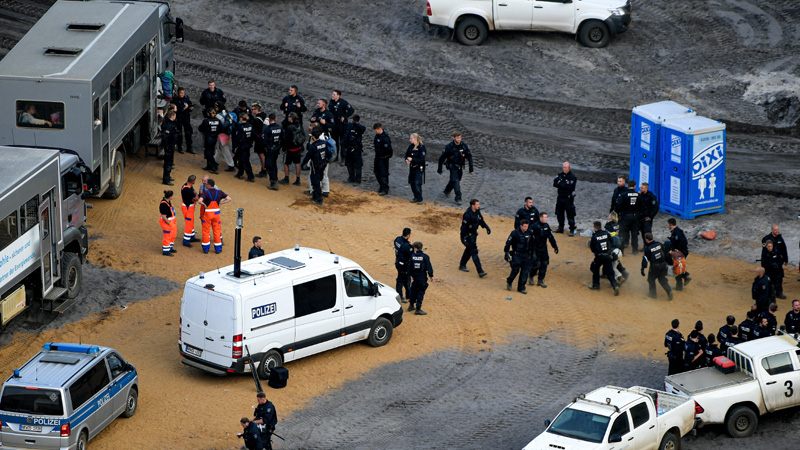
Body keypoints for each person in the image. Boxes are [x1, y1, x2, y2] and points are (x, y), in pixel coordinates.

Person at [437, 131, 474, 205]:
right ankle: (458, 198)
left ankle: (447, 191)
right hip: (452, 166)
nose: (459, 139)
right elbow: (442, 157)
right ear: (454, 138)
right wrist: (439, 167)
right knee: (455, 181)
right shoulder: (449, 147)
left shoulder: (463, 146)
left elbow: (469, 155)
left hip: (460, 166)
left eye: (460, 137)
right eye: (457, 137)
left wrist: (471, 166)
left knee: (455, 180)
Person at [459, 199, 491, 277]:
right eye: (477, 205)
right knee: (474, 252)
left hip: (474, 234)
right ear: (473, 206)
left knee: (468, 250)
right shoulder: (467, 214)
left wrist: (486, 227)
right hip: (468, 235)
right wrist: (463, 238)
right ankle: (480, 271)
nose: (478, 206)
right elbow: (463, 228)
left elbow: (480, 220)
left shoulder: (477, 211)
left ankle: (462, 265)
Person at [198, 179, 231, 254]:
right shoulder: (219, 192)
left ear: (209, 185)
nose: (205, 185)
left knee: (206, 231)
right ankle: (218, 249)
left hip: (208, 215)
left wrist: (204, 205)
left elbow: (199, 201)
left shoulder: (206, 193)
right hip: (216, 214)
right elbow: (229, 199)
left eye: (206, 184)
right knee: (216, 231)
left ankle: (206, 249)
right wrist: (221, 203)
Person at [300, 128, 331, 206]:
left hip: (316, 166)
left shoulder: (313, 146)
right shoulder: (324, 143)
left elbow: (307, 156)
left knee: (315, 182)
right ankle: (315, 196)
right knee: (318, 180)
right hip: (323, 164)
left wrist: (302, 164)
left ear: (313, 137)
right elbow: (328, 154)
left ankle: (318, 199)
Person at [588, 221, 619, 295]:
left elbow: (592, 248)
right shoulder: (606, 233)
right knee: (610, 272)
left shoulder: (594, 236)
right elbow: (611, 241)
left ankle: (596, 285)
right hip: (607, 255)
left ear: (595, 227)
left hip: (599, 256)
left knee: (594, 269)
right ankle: (615, 286)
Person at [529, 213, 558, 288]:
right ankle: (531, 275)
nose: (546, 219)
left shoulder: (546, 226)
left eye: (546, 217)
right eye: (544, 217)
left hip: (544, 248)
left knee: (544, 264)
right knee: (537, 264)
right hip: (536, 248)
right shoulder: (534, 226)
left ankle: (540, 280)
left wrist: (555, 246)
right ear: (540, 218)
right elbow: (530, 239)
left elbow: (550, 237)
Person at [504, 221, 534, 294]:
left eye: (527, 226)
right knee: (515, 270)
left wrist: (532, 255)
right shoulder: (514, 233)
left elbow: (532, 244)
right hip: (516, 254)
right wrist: (506, 253)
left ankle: (521, 287)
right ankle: (509, 281)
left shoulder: (529, 233)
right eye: (525, 226)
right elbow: (508, 243)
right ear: (521, 226)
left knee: (525, 272)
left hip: (526, 255)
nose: (526, 228)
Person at [641, 232, 673, 300]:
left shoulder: (648, 248)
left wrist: (643, 269)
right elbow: (666, 253)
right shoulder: (659, 244)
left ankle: (653, 294)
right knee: (662, 279)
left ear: (646, 239)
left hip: (655, 266)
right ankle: (669, 291)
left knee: (651, 279)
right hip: (663, 264)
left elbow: (645, 260)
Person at [408, 241, 434, 315]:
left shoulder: (412, 256)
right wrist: (431, 275)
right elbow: (429, 267)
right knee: (420, 293)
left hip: (415, 277)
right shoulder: (425, 257)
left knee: (413, 291)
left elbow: (410, 267)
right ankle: (418, 309)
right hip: (422, 277)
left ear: (415, 248)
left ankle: (411, 305)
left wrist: (411, 275)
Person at [279, 112, 304, 186]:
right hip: (298, 147)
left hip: (290, 148)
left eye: (289, 117)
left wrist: (284, 147)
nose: (288, 118)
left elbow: (286, 139)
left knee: (286, 163)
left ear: (291, 118)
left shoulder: (289, 127)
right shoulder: (299, 125)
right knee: (297, 163)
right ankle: (298, 179)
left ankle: (286, 178)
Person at [616, 179, 641, 255]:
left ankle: (622, 251)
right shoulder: (638, 195)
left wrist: (620, 213)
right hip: (635, 217)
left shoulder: (623, 195)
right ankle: (635, 250)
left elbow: (618, 206)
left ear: (628, 186)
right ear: (635, 186)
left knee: (622, 234)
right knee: (634, 234)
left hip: (625, 217)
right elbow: (642, 206)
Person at [553, 161, 577, 236]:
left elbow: (569, 186)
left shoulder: (572, 177)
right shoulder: (560, 175)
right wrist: (562, 184)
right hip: (560, 197)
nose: (564, 169)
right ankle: (560, 228)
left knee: (570, 214)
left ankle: (572, 229)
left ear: (569, 168)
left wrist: (560, 183)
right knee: (559, 213)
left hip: (568, 198)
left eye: (566, 167)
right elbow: (554, 183)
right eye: (563, 167)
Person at [329, 90, 354, 159]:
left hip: (342, 125)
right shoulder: (331, 102)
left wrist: (345, 116)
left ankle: (343, 157)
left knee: (342, 142)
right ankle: (335, 156)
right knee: (335, 141)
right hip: (334, 125)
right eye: (332, 94)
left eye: (334, 94)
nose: (332, 95)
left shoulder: (343, 102)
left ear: (338, 96)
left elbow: (351, 110)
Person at [667, 218, 692, 290]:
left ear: (670, 224)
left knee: (677, 267)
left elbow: (683, 242)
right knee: (678, 266)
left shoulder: (677, 232)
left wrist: (678, 250)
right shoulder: (676, 231)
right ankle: (685, 277)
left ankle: (680, 284)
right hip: (680, 252)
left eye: (668, 224)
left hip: (680, 253)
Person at [342, 115, 366, 184]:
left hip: (356, 149)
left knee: (358, 165)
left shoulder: (359, 128)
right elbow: (346, 134)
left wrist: (356, 124)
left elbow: (363, 128)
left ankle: (358, 180)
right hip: (349, 148)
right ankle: (351, 178)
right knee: (349, 164)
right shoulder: (349, 125)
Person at [263, 113, 284, 190]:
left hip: (270, 149)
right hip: (276, 149)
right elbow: (283, 139)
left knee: (269, 165)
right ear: (275, 119)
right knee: (274, 164)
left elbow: (264, 141)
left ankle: (273, 182)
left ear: (269, 120)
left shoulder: (268, 129)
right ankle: (275, 179)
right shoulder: (279, 128)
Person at [198, 107, 222, 174]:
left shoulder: (206, 121)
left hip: (208, 138)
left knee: (208, 153)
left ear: (208, 113)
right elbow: (221, 129)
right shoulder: (218, 121)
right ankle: (209, 166)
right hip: (214, 139)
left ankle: (214, 166)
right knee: (211, 151)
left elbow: (200, 128)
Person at [214, 103, 237, 172]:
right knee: (221, 149)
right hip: (227, 134)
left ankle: (231, 165)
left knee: (223, 149)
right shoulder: (227, 113)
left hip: (221, 134)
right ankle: (216, 161)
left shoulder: (218, 115)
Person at [233, 113, 255, 182]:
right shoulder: (250, 126)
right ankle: (240, 173)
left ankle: (250, 176)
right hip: (247, 145)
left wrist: (234, 146)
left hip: (242, 145)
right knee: (241, 159)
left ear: (241, 119)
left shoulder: (240, 127)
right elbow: (253, 135)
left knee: (245, 161)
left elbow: (237, 137)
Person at [172, 87, 195, 153]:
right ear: (178, 93)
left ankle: (189, 147)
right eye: (181, 93)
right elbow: (176, 110)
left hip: (186, 117)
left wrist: (190, 108)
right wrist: (183, 108)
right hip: (179, 118)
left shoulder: (186, 98)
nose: (182, 94)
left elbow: (189, 104)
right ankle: (180, 147)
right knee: (179, 133)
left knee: (188, 132)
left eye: (183, 93)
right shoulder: (175, 100)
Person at [405, 133, 426, 204]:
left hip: (418, 167)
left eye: (411, 138)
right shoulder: (411, 147)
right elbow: (406, 155)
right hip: (412, 167)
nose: (410, 140)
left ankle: (419, 198)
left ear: (415, 139)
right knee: (412, 182)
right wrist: (407, 160)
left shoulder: (421, 147)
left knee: (417, 183)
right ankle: (415, 197)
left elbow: (421, 159)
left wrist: (412, 160)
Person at [393, 228, 413, 303]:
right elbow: (411, 255)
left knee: (406, 279)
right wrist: (412, 246)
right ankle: (400, 296)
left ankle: (408, 294)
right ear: (408, 235)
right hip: (404, 265)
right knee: (402, 280)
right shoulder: (407, 246)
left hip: (398, 262)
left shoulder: (397, 239)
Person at [373, 123, 392, 196]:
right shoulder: (377, 136)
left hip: (383, 158)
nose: (375, 132)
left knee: (383, 173)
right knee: (377, 172)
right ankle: (381, 186)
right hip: (378, 157)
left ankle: (385, 189)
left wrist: (385, 156)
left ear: (379, 129)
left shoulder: (385, 138)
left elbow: (389, 150)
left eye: (376, 130)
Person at [180, 175, 199, 247]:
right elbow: (196, 198)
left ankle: (192, 237)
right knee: (188, 224)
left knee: (191, 222)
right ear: (193, 182)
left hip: (189, 208)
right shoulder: (188, 189)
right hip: (188, 208)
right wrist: (196, 194)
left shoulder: (186, 186)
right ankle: (186, 241)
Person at [161, 110, 178, 186]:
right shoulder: (168, 125)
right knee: (167, 163)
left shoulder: (171, 123)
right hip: (169, 147)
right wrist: (167, 147)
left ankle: (168, 176)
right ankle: (166, 179)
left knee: (170, 162)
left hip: (171, 146)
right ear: (172, 116)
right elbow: (165, 138)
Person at [251, 104, 268, 177]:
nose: (251, 111)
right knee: (262, 154)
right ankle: (264, 168)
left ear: (256, 110)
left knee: (261, 154)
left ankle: (264, 170)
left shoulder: (256, 120)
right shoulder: (264, 115)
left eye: (253, 109)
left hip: (259, 139)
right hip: (264, 138)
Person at [159, 190, 178, 256]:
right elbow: (164, 217)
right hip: (167, 222)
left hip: (171, 222)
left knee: (173, 235)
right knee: (167, 236)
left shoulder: (168, 202)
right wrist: (169, 224)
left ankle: (170, 247)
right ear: (170, 196)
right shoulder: (164, 204)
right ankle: (166, 251)